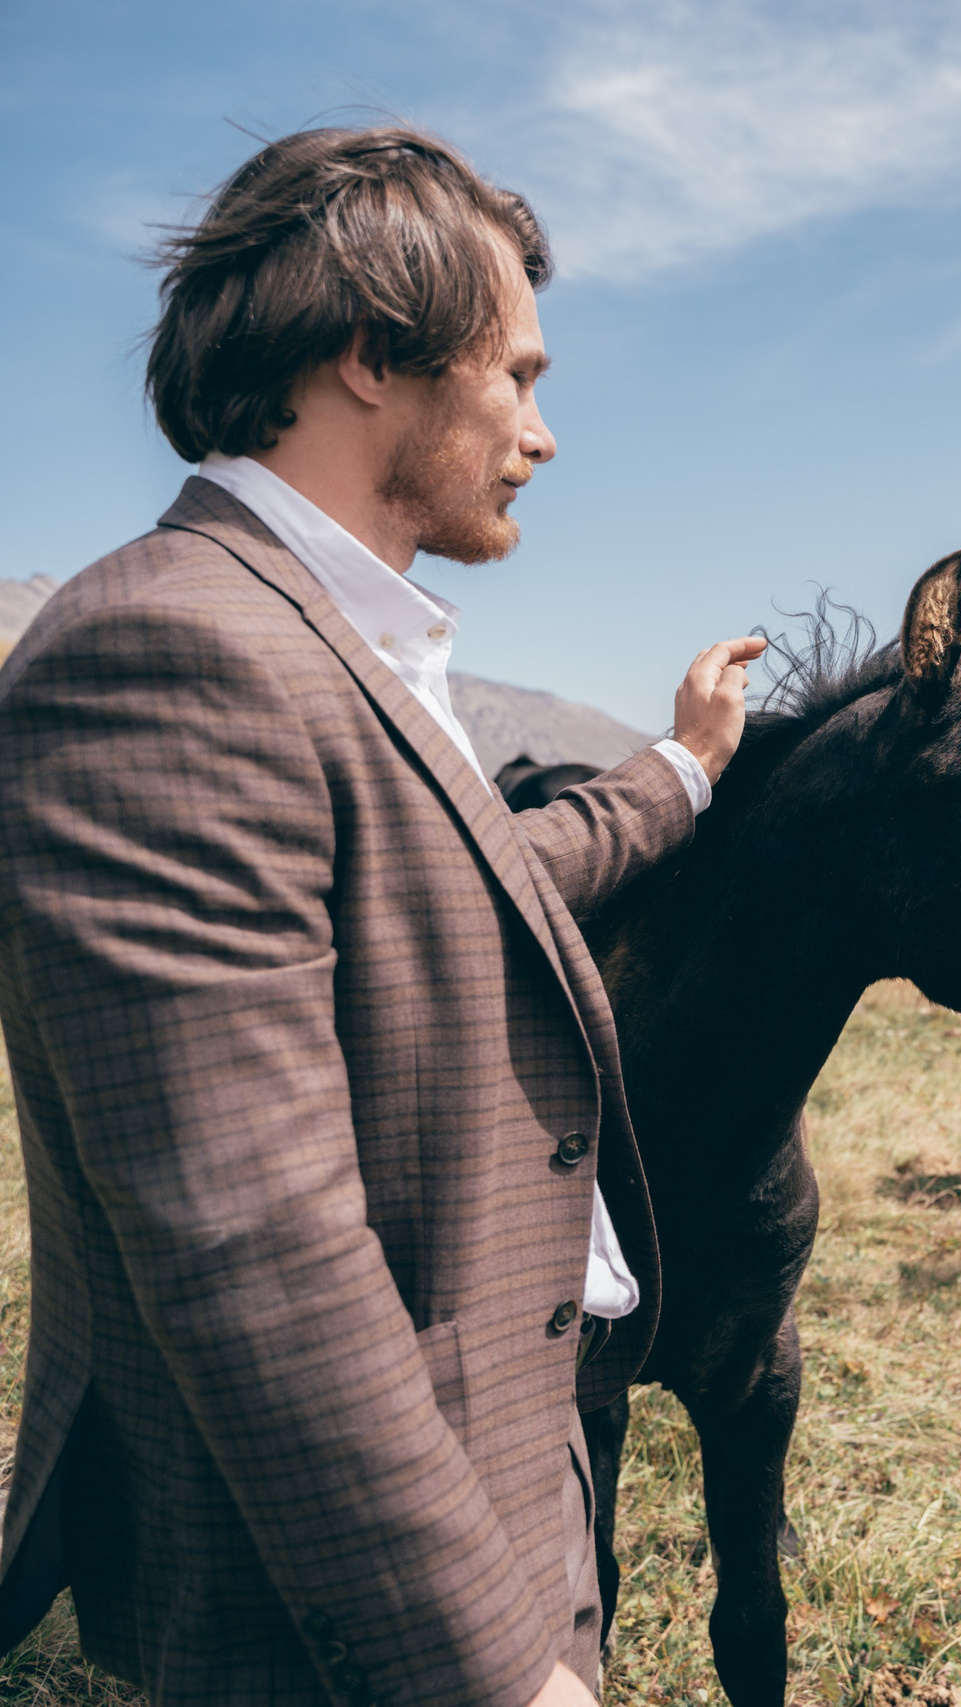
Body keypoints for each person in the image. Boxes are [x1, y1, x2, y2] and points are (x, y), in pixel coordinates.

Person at [0, 127, 766, 1706]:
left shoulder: (321, 638)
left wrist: (681, 772)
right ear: (370, 353)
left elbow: (475, 886)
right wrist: (490, 1671)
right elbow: (255, 1255)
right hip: (335, 1602)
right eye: (520, 376)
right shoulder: (163, 653)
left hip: (489, 1468)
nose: (543, 435)